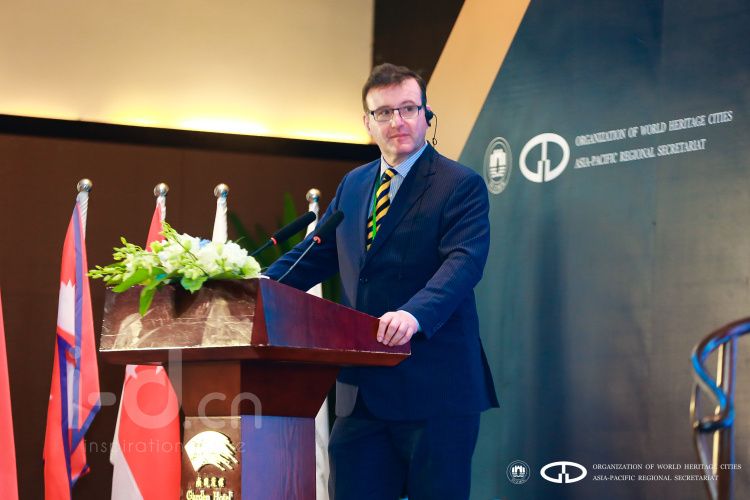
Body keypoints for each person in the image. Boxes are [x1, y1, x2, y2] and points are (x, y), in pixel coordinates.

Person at [265, 63, 498, 500]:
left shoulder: (459, 184)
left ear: (426, 114)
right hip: (362, 394)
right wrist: (258, 285)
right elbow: (318, 251)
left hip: (434, 388)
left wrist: (414, 314)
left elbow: (463, 263)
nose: (398, 121)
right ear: (367, 123)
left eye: (409, 109)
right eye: (384, 112)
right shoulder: (354, 184)